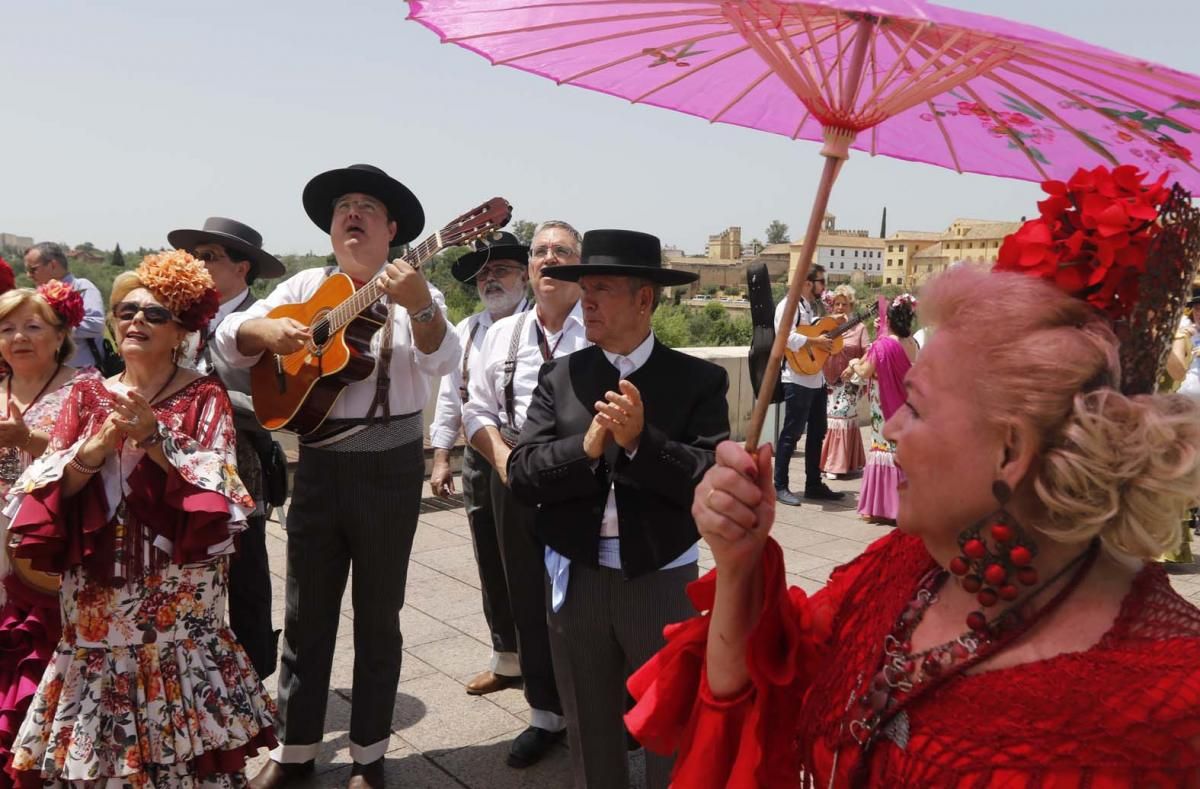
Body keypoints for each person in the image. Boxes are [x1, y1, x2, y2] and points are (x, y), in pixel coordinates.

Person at [626, 265, 1200, 786]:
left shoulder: (1161, 707)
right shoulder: (905, 567)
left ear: (1011, 451)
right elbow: (760, 699)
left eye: (918, 407)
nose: (893, 426)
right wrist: (738, 561)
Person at [215, 164, 461, 789]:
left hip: (389, 469)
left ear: (393, 230)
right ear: (331, 229)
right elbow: (227, 336)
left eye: (367, 208)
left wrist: (423, 305)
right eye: (343, 208)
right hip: (320, 467)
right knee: (305, 612)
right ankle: (294, 753)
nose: (352, 215)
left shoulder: (415, 292)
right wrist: (263, 329)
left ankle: (369, 756)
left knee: (380, 616)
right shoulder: (304, 285)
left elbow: (445, 359)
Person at [5, 251, 276, 786]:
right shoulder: (85, 392)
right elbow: (42, 487)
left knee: (178, 723)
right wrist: (95, 448)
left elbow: (221, 483)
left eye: (155, 314)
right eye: (126, 310)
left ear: (181, 331)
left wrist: (155, 438)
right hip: (95, 591)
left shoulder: (204, 395)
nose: (136, 321)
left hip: (177, 593)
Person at [508, 229, 730, 789]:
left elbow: (709, 478)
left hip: (660, 577)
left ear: (645, 299)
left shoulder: (698, 379)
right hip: (577, 578)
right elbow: (521, 471)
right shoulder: (563, 377)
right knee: (588, 729)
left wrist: (641, 443)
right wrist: (583, 451)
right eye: (584, 288)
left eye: (602, 288)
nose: (587, 300)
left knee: (669, 727)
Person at [461, 220, 587, 767]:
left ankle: (597, 705)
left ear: (579, 264)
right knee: (525, 593)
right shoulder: (500, 334)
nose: (550, 258)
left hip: (583, 470)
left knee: (587, 591)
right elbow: (477, 408)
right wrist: (504, 460)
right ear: (531, 265)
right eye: (540, 251)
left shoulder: (597, 326)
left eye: (562, 250)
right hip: (511, 471)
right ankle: (545, 714)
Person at [168, 217, 288, 680]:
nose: (197, 266)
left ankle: (255, 681)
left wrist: (206, 398)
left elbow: (278, 407)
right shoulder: (181, 320)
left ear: (242, 268)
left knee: (248, 582)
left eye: (209, 257)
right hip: (178, 471)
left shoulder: (269, 321)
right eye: (192, 256)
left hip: (241, 471)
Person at [0, 285, 99, 785]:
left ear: (61, 336)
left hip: (47, 554)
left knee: (41, 665)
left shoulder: (84, 390)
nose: (18, 337)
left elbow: (93, 462)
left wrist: (26, 439)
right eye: (6, 328)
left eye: (33, 326)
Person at [428, 230, 530, 697]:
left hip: (530, 455)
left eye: (502, 270)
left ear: (524, 275)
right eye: (484, 273)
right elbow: (451, 397)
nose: (491, 279)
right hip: (480, 458)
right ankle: (507, 659)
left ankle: (549, 660)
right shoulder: (467, 331)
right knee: (490, 556)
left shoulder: (540, 325)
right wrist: (442, 455)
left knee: (535, 561)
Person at [774, 264, 843, 505]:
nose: (824, 287)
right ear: (807, 283)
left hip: (815, 379)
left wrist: (828, 323)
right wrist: (815, 340)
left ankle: (813, 484)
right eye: (821, 281)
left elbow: (811, 328)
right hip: (796, 378)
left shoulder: (806, 306)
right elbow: (785, 336)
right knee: (791, 433)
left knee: (817, 432)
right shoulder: (788, 305)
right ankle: (779, 485)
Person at [851, 294, 919, 525]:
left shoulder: (883, 345)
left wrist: (852, 363)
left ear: (887, 319)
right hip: (905, 402)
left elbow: (864, 373)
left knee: (882, 447)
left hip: (884, 402)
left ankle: (879, 506)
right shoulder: (912, 343)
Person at [22, 243, 105, 370]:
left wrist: (54, 327)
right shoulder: (36, 296)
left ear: (53, 265)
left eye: (33, 269)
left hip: (83, 373)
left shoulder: (81, 286)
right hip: (48, 375)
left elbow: (96, 325)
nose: (29, 275)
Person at [819, 285, 867, 479]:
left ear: (851, 306)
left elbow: (868, 352)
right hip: (827, 381)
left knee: (842, 418)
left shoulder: (860, 328)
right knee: (833, 420)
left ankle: (835, 465)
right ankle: (845, 462)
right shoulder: (826, 325)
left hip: (850, 383)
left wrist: (853, 366)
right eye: (837, 303)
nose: (840, 307)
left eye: (844, 304)